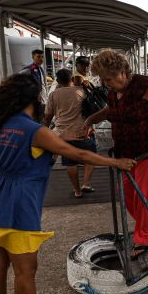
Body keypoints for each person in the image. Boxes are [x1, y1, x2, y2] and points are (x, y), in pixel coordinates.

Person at [0, 74, 136, 294]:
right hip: (17, 204)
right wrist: (116, 163)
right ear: (35, 99)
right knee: (25, 269)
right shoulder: (34, 131)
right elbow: (76, 154)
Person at [87, 49, 148, 258]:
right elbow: (109, 111)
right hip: (125, 153)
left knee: (142, 193)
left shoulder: (142, 85)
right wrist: (90, 120)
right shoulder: (113, 91)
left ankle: (144, 237)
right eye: (103, 80)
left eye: (109, 78)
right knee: (129, 197)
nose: (106, 83)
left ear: (122, 71)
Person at [44, 68, 97, 198]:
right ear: (71, 79)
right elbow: (92, 104)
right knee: (91, 157)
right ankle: (86, 183)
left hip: (63, 134)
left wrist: (44, 131)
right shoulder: (80, 91)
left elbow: (48, 116)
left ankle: (77, 191)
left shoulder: (53, 95)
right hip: (83, 131)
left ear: (57, 81)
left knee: (70, 163)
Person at [21, 49, 48, 117]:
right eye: (38, 57)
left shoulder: (41, 69)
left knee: (42, 115)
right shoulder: (29, 69)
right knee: (36, 117)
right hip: (34, 99)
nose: (41, 59)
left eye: (42, 57)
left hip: (42, 98)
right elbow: (18, 80)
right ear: (33, 57)